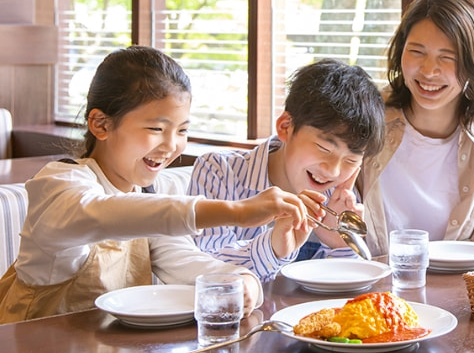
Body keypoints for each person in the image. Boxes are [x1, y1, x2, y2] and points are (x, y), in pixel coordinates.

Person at [0, 46, 319, 323]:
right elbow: (100, 213)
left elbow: (181, 258)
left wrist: (238, 279)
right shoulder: (58, 183)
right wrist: (235, 211)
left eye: (181, 131)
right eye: (156, 128)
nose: (171, 146)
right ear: (100, 124)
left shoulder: (151, 193)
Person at [358, 0, 474, 256]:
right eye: (417, 52)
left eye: (447, 58)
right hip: (370, 287)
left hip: (458, 291)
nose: (429, 71)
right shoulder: (363, 116)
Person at [189, 58, 385, 281]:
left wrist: (340, 244)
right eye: (324, 148)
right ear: (286, 127)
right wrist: (273, 248)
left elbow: (350, 293)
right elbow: (202, 268)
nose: (332, 171)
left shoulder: (339, 195)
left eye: (351, 160)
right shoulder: (219, 171)